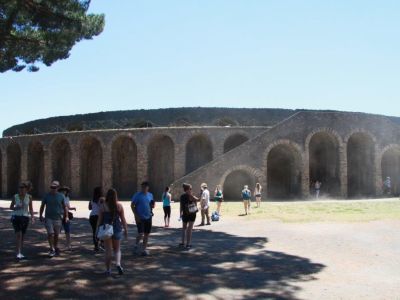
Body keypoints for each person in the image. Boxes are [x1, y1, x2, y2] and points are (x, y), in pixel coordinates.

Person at [97, 188, 128, 276]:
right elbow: (123, 219)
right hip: (117, 228)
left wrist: (97, 230)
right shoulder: (119, 206)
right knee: (117, 249)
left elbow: (99, 220)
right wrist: (126, 230)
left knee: (108, 250)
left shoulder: (103, 206)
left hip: (106, 229)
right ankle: (118, 264)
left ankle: (108, 270)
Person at [39, 181, 68, 257]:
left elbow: (65, 207)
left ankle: (55, 247)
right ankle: (51, 248)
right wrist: (40, 215)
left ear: (58, 188)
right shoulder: (46, 196)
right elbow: (42, 206)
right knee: (50, 233)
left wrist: (66, 216)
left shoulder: (61, 196)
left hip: (58, 218)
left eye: (54, 187)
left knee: (56, 235)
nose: (53, 189)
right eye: (51, 187)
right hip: (48, 217)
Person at [10, 182, 34, 259]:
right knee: (18, 235)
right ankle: (18, 252)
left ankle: (20, 251)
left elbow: (30, 208)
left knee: (22, 236)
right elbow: (11, 207)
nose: (21, 189)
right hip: (16, 217)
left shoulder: (29, 197)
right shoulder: (15, 196)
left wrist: (32, 217)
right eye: (20, 188)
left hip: (25, 217)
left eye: (23, 188)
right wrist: (16, 207)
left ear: (26, 189)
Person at [131, 181, 155, 256]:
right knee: (141, 233)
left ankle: (144, 250)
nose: (143, 188)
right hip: (140, 217)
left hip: (148, 216)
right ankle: (136, 246)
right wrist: (136, 215)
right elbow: (132, 205)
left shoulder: (150, 195)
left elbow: (152, 205)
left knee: (146, 234)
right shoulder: (137, 195)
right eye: (142, 187)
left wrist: (153, 205)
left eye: (145, 187)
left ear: (148, 188)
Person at [180, 183, 199, 249]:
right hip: (191, 213)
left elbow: (181, 206)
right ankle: (188, 244)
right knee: (189, 229)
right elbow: (197, 200)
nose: (191, 190)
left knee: (184, 228)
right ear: (188, 189)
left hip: (185, 213)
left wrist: (180, 213)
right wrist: (191, 194)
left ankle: (182, 242)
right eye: (190, 189)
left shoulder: (182, 196)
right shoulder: (190, 196)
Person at [59, 186, 76, 251]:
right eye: (63, 191)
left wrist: (72, 208)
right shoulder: (58, 197)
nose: (64, 192)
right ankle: (55, 246)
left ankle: (68, 245)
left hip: (66, 215)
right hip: (59, 216)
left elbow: (68, 207)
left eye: (65, 191)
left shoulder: (67, 198)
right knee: (57, 231)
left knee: (67, 231)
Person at [89, 186, 104, 252]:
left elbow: (89, 208)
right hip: (99, 216)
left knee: (94, 231)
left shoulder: (92, 199)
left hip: (92, 216)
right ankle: (102, 244)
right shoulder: (102, 199)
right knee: (101, 231)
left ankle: (96, 246)